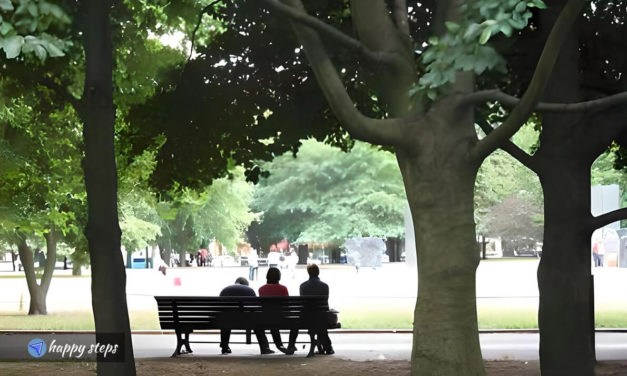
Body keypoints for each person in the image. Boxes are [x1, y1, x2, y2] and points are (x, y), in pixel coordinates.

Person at [286, 264, 334, 355]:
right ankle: (328, 347)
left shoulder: (303, 286)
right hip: (320, 318)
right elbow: (325, 303)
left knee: (295, 324)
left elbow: (303, 303)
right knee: (320, 324)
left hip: (305, 318)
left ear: (308, 273)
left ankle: (290, 346)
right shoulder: (325, 286)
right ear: (318, 272)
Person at [219, 277, 274, 355]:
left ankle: (224, 347)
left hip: (227, 321)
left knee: (226, 319)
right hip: (246, 321)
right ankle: (264, 347)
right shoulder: (249, 290)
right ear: (245, 284)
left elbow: (221, 309)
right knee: (257, 322)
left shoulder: (225, 290)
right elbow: (256, 308)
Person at [258, 267, 290, 354]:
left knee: (262, 322)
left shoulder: (261, 289)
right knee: (274, 319)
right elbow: (287, 305)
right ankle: (281, 345)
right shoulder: (283, 288)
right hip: (282, 318)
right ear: (279, 277)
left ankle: (264, 347)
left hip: (266, 318)